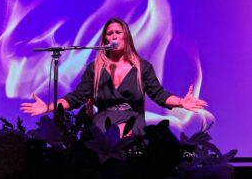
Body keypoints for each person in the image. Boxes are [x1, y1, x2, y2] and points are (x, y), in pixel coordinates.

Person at [20, 17, 207, 137]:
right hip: (103, 126)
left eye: (118, 32)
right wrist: (47, 107)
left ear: (126, 37)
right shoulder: (94, 69)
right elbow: (76, 98)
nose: (114, 36)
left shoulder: (142, 67)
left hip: (132, 125)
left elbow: (159, 94)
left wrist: (181, 102)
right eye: (110, 33)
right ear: (105, 40)